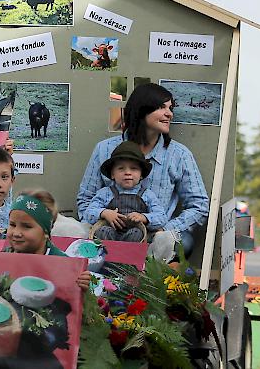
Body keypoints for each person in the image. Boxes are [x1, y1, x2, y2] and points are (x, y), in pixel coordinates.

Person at [77, 83, 209, 260]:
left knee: (183, 243)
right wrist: (101, 218)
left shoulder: (179, 155)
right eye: (161, 107)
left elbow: (199, 205)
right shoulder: (104, 149)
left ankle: (148, 282)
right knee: (67, 230)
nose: (169, 114)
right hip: (105, 233)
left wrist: (166, 229)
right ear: (142, 110)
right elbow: (85, 199)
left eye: (170, 108)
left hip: (154, 238)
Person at [81, 141, 166, 242]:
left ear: (141, 175)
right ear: (112, 174)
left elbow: (161, 217)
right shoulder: (106, 193)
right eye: (121, 168)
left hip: (134, 237)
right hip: (110, 235)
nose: (127, 173)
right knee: (103, 231)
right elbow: (89, 213)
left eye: (133, 168)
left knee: (136, 233)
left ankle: (127, 255)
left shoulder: (147, 195)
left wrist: (144, 217)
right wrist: (104, 213)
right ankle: (107, 255)